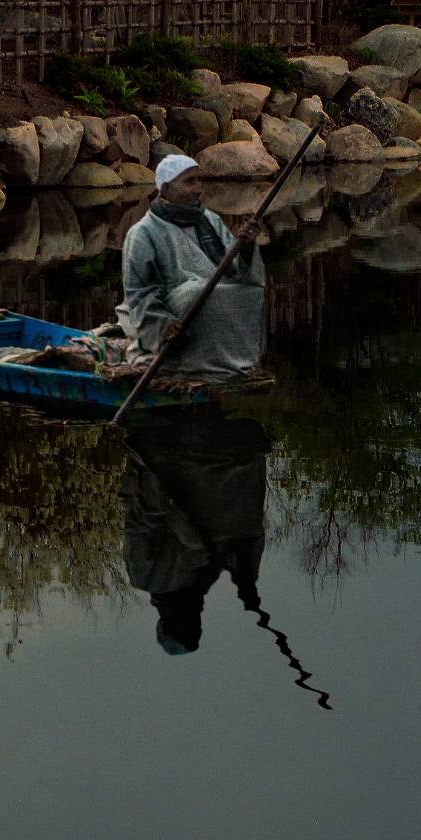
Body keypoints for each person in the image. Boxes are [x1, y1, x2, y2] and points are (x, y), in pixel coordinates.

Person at [121, 409, 270, 654]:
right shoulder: (201, 580)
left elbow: (144, 515)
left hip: (167, 451)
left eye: (187, 627)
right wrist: (247, 584)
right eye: (193, 627)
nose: (192, 620)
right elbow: (243, 539)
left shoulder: (147, 576)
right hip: (194, 452)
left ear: (167, 623)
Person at [113, 152, 267, 382]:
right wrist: (163, 324)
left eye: (198, 180)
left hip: (213, 291)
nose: (198, 189)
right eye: (189, 182)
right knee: (198, 293)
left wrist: (245, 247)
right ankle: (192, 363)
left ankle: (231, 362)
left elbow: (234, 270)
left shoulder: (210, 220)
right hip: (169, 306)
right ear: (164, 189)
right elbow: (140, 293)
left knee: (251, 293)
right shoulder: (142, 233)